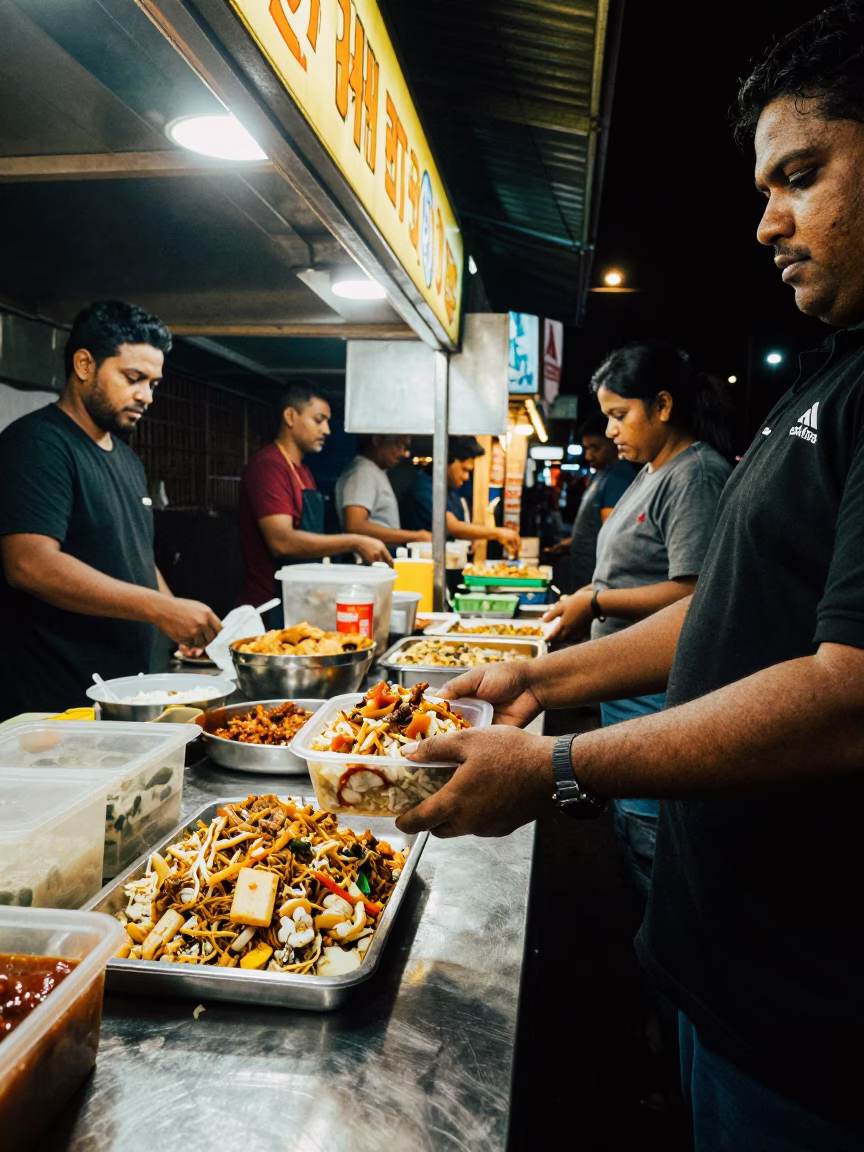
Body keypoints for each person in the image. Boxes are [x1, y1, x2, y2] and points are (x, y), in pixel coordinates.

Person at [393, 4, 864, 1146]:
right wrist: (544, 682)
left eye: (799, 175)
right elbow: (732, 622)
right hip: (730, 973)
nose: (767, 222)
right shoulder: (831, 378)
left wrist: (554, 767)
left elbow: (847, 693)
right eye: (763, 188)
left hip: (813, 1018)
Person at [546, 343, 733, 909]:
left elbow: (696, 595)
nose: (610, 429)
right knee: (633, 836)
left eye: (620, 414)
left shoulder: (695, 474)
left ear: (664, 405)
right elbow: (631, 568)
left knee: (657, 853)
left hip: (663, 697)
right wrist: (587, 596)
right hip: (627, 693)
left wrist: (598, 603)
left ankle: (669, 990)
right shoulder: (650, 471)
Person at [0, 300, 222, 718]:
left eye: (153, 383)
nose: (146, 396)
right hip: (54, 704)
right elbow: (29, 564)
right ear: (84, 364)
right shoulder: (38, 445)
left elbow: (136, 555)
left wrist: (175, 617)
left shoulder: (125, 458)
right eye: (133, 378)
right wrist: (159, 609)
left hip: (119, 695)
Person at [237, 383, 391, 611]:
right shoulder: (269, 466)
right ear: (290, 416)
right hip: (271, 605)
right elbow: (282, 542)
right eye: (319, 420)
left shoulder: (304, 472)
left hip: (303, 600)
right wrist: (355, 541)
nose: (327, 430)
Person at [548, 411, 639, 591]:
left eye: (595, 448)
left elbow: (614, 534)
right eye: (586, 448)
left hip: (598, 582)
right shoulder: (600, 475)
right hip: (586, 576)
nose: (589, 456)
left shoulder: (619, 476)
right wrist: (572, 543)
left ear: (613, 442)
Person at [400, 435, 521, 553]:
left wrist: (473, 536)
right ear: (447, 462)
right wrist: (498, 533)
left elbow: (461, 526)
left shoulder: (451, 490)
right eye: (464, 469)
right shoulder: (423, 488)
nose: (466, 477)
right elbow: (453, 526)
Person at [335, 434, 432, 547]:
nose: (404, 453)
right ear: (378, 440)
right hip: (368, 560)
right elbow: (355, 525)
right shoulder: (363, 472)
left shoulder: (375, 471)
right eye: (399, 444)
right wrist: (415, 537)